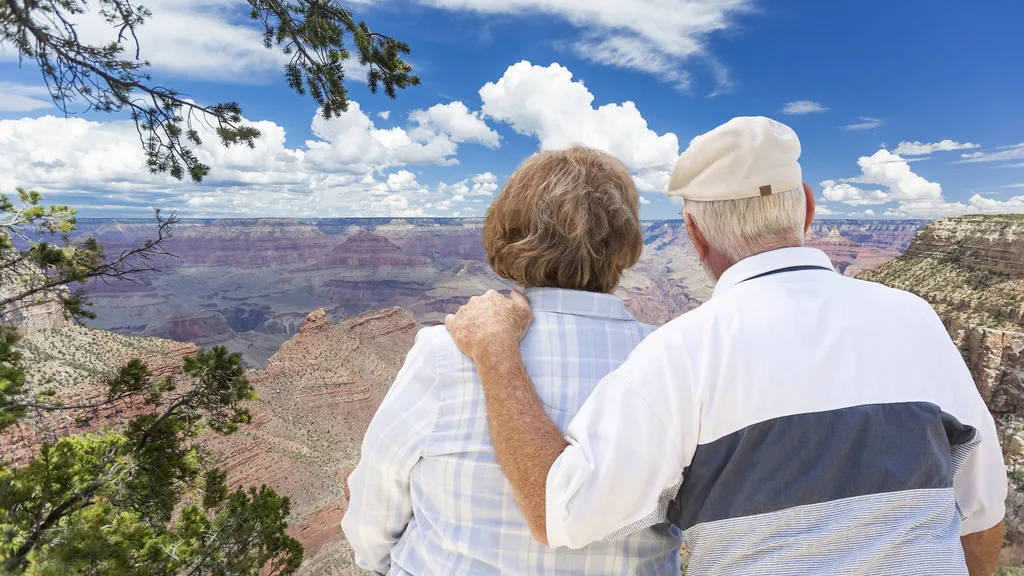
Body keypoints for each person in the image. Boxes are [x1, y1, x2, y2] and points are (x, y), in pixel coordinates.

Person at [444, 117, 1008, 575]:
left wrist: (496, 352)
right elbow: (981, 512)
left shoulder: (682, 352)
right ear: (807, 208)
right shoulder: (913, 318)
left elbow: (557, 511)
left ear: (692, 234)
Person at [341, 146, 683, 575]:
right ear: (625, 244)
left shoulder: (446, 352)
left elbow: (376, 501)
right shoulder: (673, 363)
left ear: (509, 233)